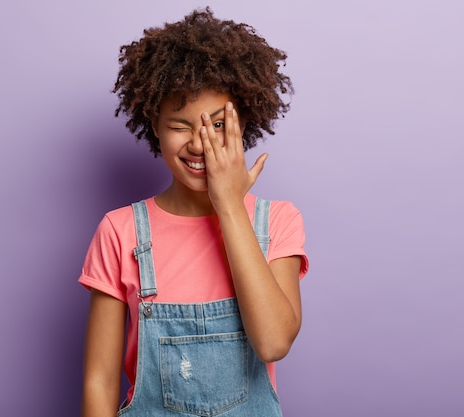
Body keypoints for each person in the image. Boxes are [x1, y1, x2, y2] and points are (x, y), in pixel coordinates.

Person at [79, 7, 309, 417]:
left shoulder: (276, 222)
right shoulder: (121, 230)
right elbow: (100, 379)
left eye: (218, 124)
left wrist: (228, 205)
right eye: (180, 125)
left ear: (245, 122)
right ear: (154, 123)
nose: (201, 144)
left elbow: (274, 342)